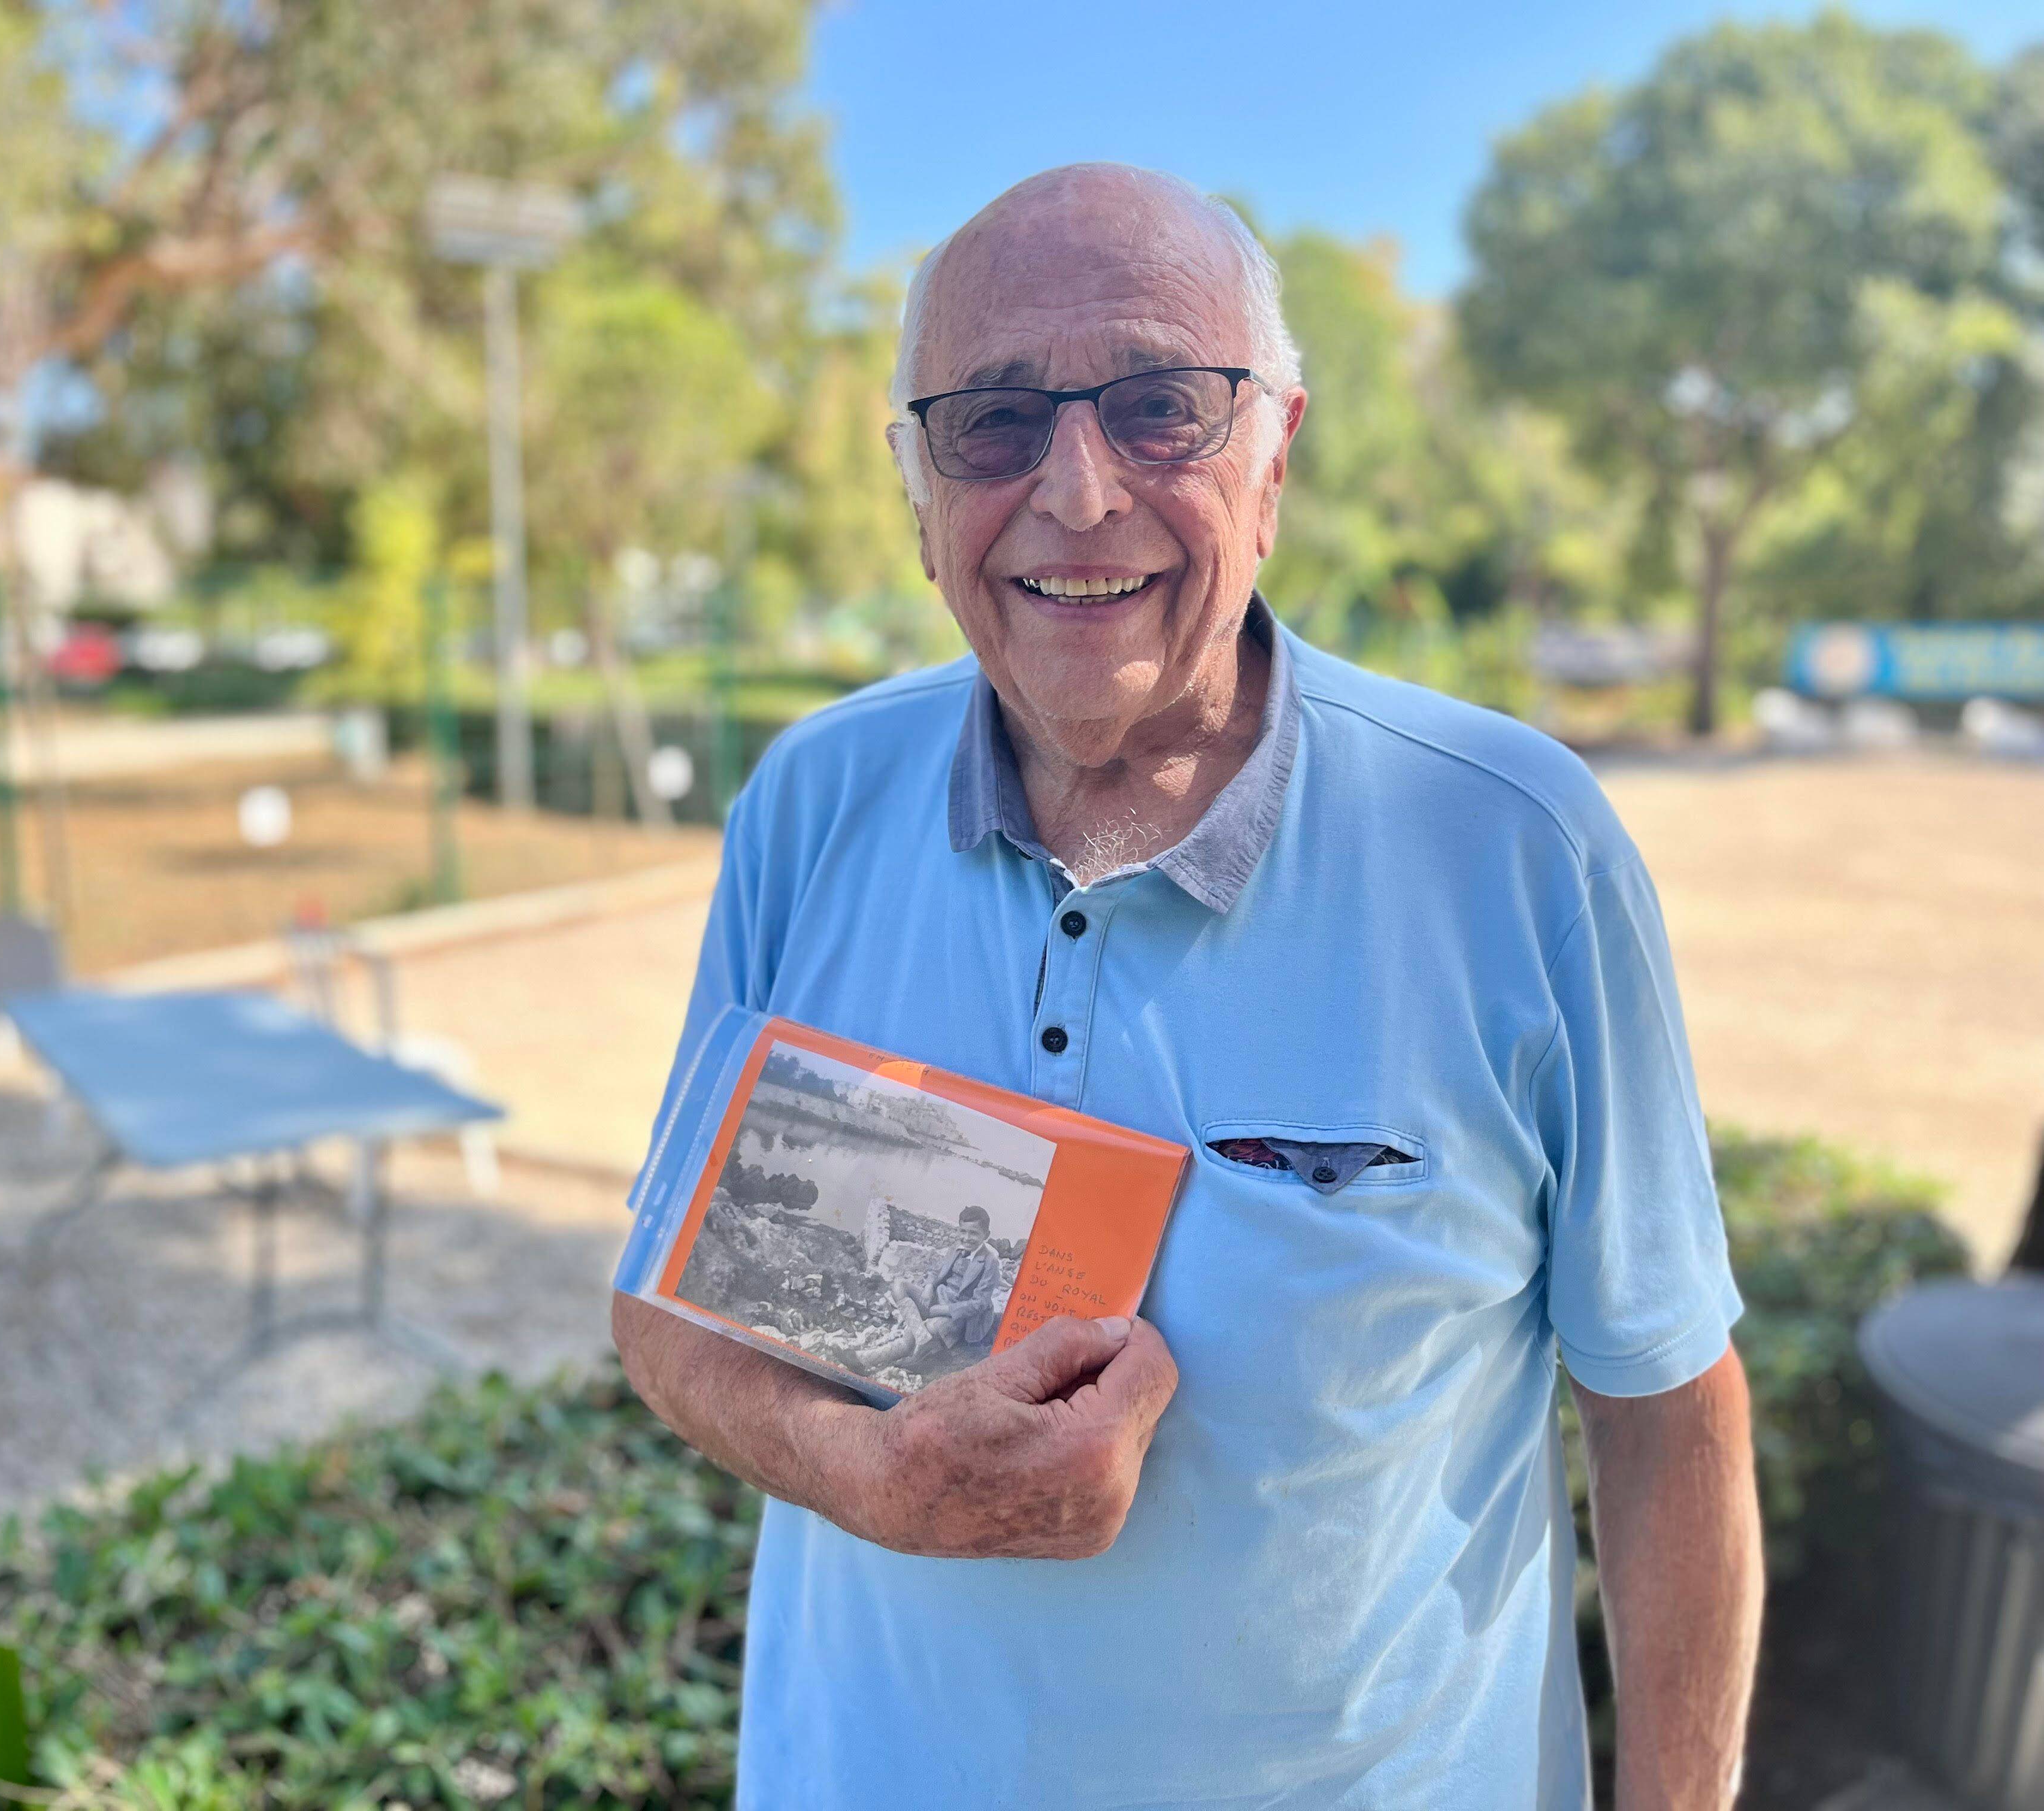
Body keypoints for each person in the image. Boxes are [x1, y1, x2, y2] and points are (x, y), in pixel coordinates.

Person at [613, 163, 1760, 1808]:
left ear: (1274, 455)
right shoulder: (810, 803)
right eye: (992, 425)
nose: (1078, 494)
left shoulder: (1512, 847)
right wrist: (870, 1472)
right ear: (918, 493)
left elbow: (1667, 1414)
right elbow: (665, 1299)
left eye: (1161, 408)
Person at [857, 1206, 1004, 1370]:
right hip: (938, 1299)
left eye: (974, 1233)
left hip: (958, 1316)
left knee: (913, 1336)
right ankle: (921, 1336)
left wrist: (940, 1310)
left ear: (986, 1235)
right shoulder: (956, 1248)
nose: (967, 1238)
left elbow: (979, 1304)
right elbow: (937, 1271)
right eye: (963, 1232)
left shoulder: (990, 1263)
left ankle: (863, 1359)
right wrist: (929, 1287)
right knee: (899, 1285)